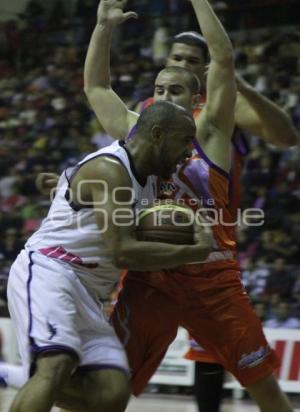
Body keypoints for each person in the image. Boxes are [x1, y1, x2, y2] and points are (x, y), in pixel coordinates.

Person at [84, 1, 296, 411]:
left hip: (212, 278)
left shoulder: (212, 129)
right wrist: (102, 29)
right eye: (159, 89)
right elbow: (97, 89)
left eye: (175, 90)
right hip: (152, 275)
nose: (164, 96)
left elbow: (223, 57)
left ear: (197, 95)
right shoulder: (139, 130)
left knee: (264, 388)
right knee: (109, 390)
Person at [7, 100, 214, 412]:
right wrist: (193, 251)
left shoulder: (153, 177)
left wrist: (59, 181)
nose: (189, 152)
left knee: (111, 393)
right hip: (51, 270)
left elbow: (74, 181)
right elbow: (123, 251)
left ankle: (8, 375)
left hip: (89, 291)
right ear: (157, 134)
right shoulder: (110, 170)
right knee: (56, 364)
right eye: (185, 140)